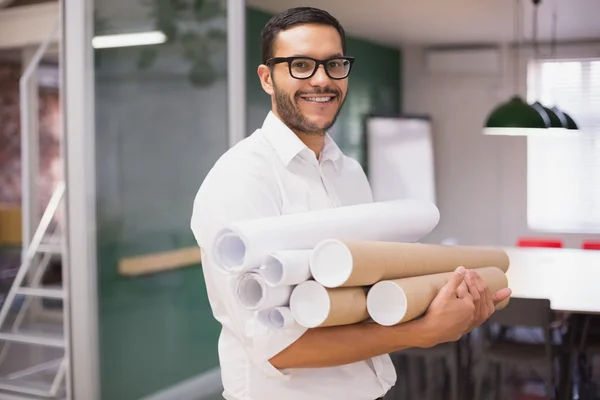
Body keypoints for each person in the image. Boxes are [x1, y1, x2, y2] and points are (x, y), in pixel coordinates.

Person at [190, 6, 512, 400]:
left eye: (334, 64)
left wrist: (447, 305)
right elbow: (277, 348)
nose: (322, 79)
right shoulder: (240, 178)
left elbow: (366, 295)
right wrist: (424, 333)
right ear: (267, 79)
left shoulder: (349, 172)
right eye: (301, 65)